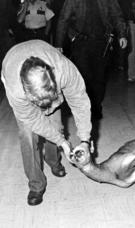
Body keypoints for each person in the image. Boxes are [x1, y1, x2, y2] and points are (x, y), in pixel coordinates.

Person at [1, 40, 92, 206]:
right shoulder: (16, 89)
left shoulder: (64, 70)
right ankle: (36, 184)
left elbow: (80, 102)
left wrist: (85, 140)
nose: (46, 108)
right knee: (28, 135)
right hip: (13, 62)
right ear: (26, 91)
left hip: (47, 58)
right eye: (40, 102)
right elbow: (35, 120)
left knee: (56, 127)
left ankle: (53, 161)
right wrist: (62, 141)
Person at [55, 0, 128, 121]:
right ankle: (84, 108)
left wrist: (122, 35)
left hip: (102, 43)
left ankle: (95, 108)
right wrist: (58, 43)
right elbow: (63, 19)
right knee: (83, 77)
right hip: (81, 43)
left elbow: (117, 16)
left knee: (99, 78)